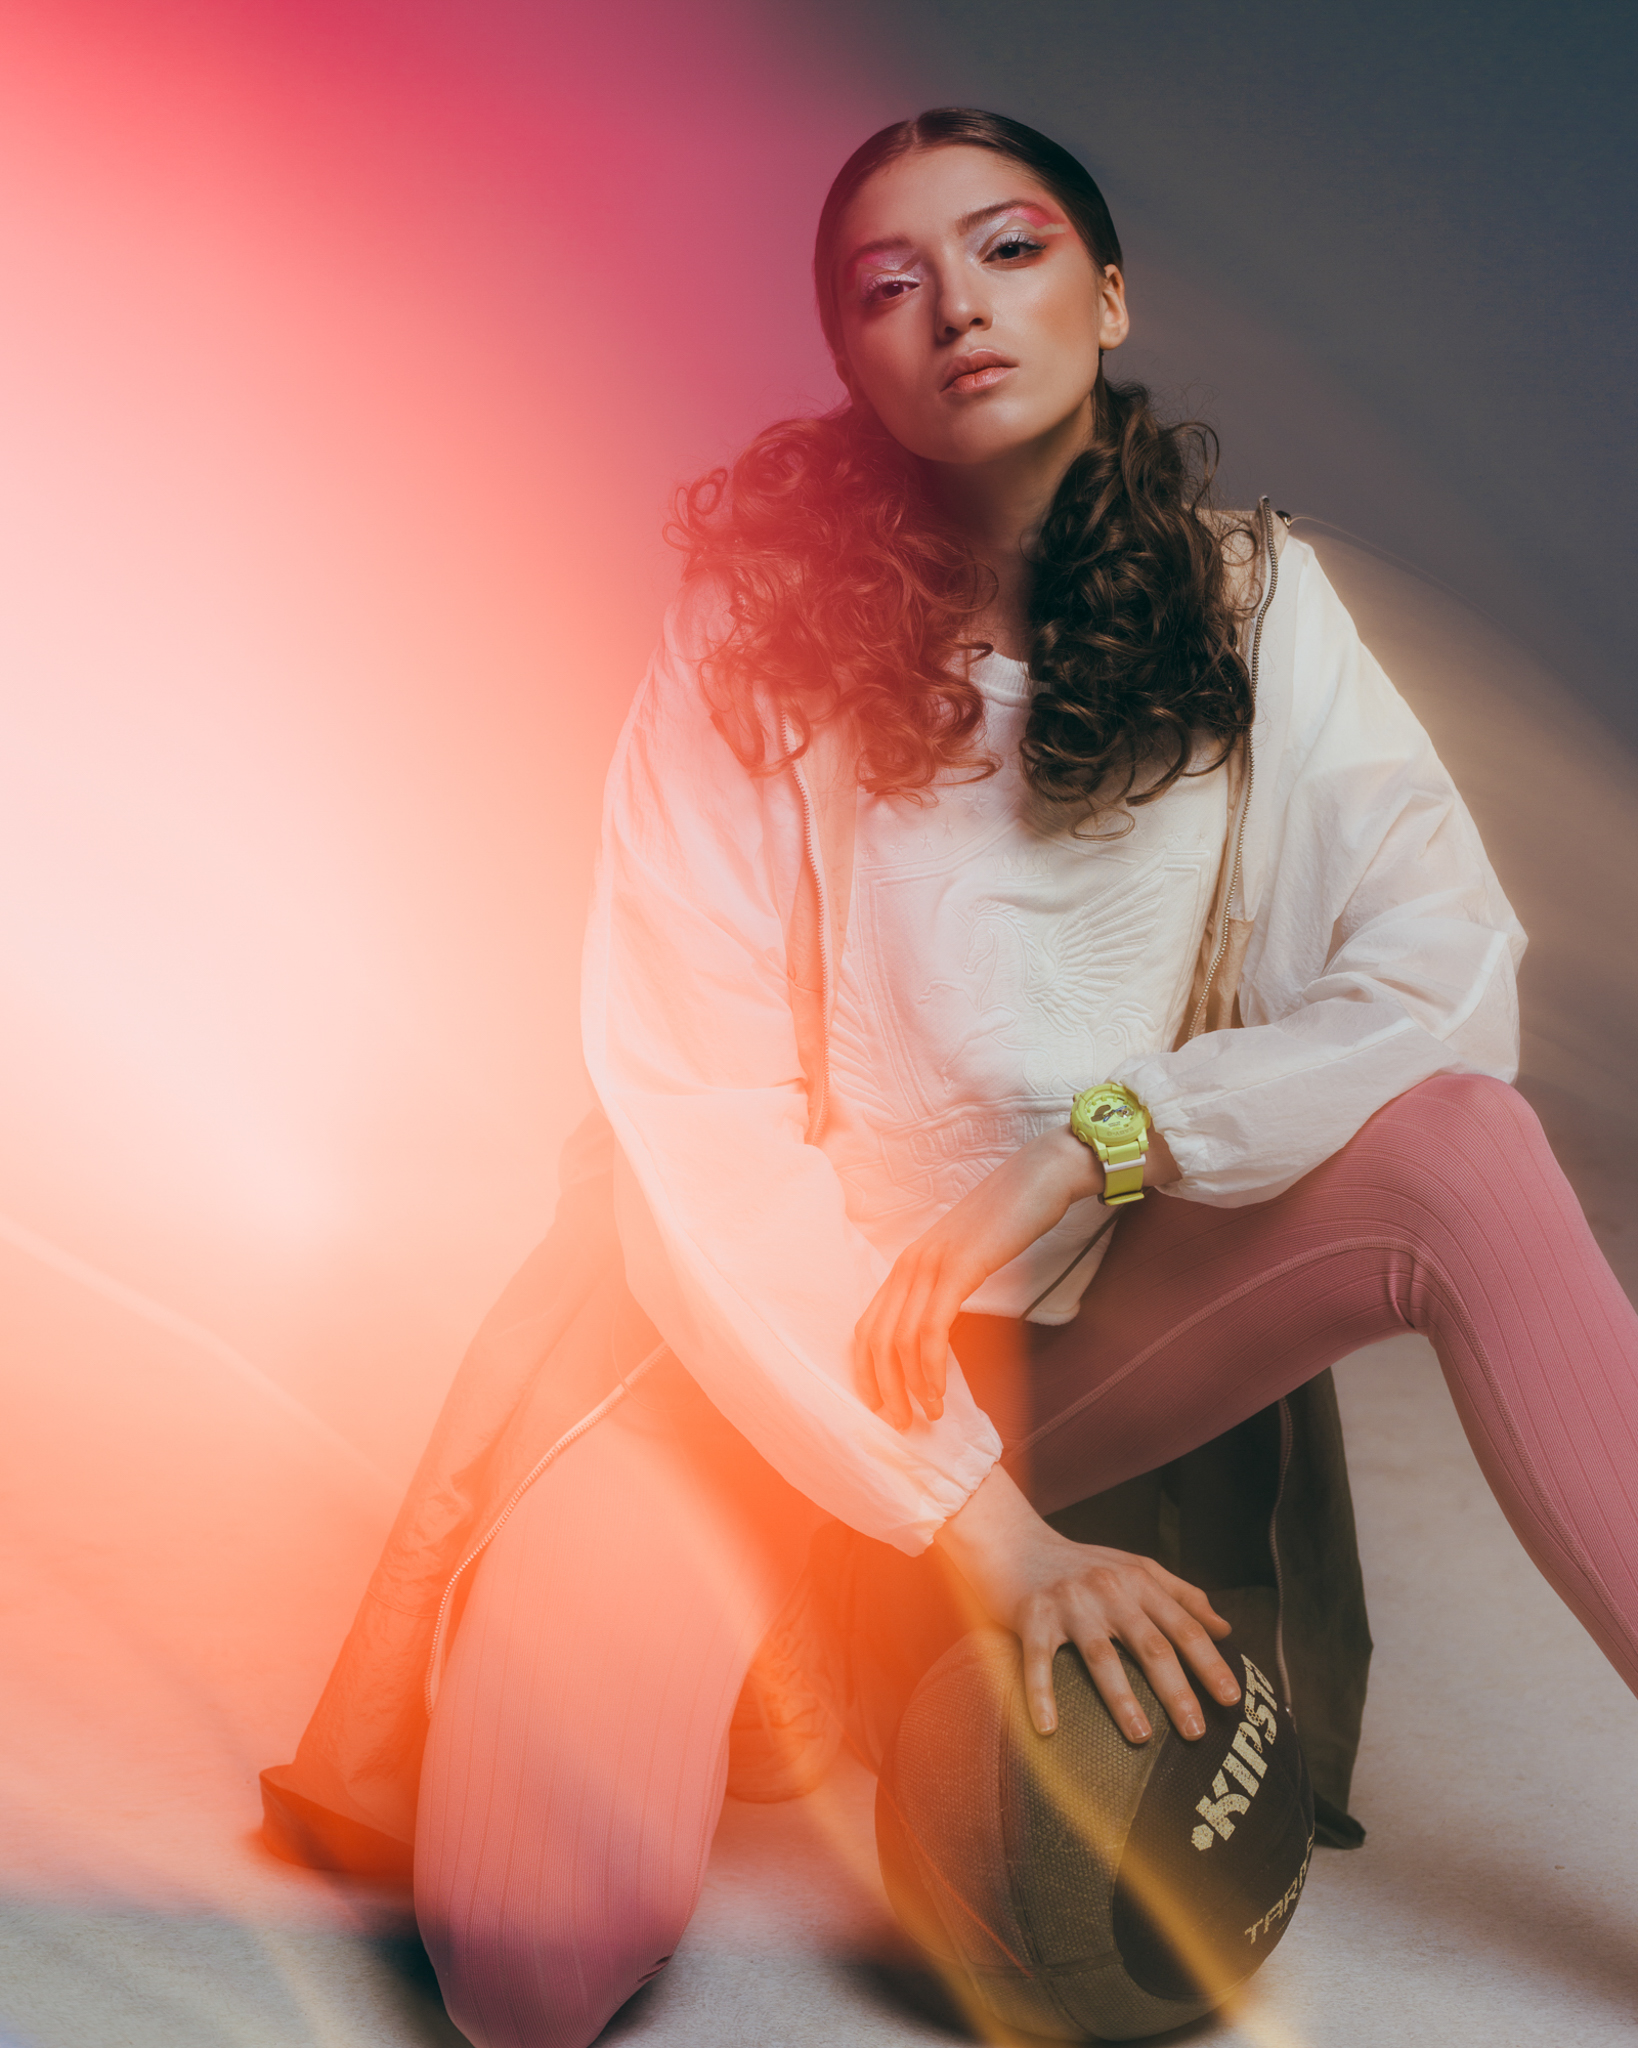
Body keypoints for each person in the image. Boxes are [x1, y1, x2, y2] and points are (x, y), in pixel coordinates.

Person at [261, 109, 1638, 2048]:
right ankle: (823, 1608)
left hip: (1084, 1335)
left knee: (1463, 1147)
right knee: (526, 1958)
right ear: (847, 353)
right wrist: (986, 1540)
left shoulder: (1258, 604)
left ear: (1109, 295)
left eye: (1007, 249)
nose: (955, 310)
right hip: (761, 1356)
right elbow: (701, 1125)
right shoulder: (745, 642)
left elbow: (1441, 977)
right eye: (886, 283)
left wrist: (1104, 1142)